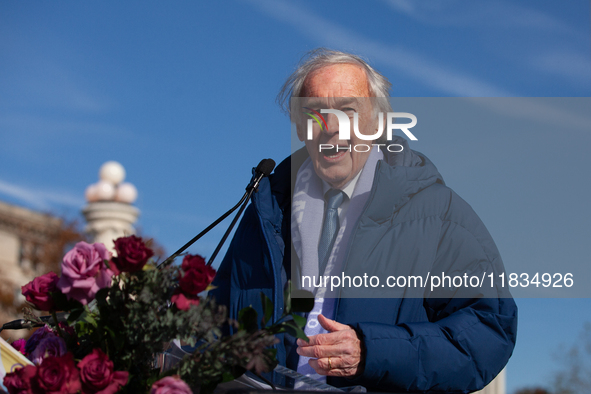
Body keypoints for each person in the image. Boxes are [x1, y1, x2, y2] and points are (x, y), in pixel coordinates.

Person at [210, 48, 517, 393]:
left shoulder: (439, 213)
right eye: (316, 113)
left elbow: (489, 331)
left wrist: (372, 351)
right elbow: (214, 325)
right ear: (299, 126)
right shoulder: (265, 213)